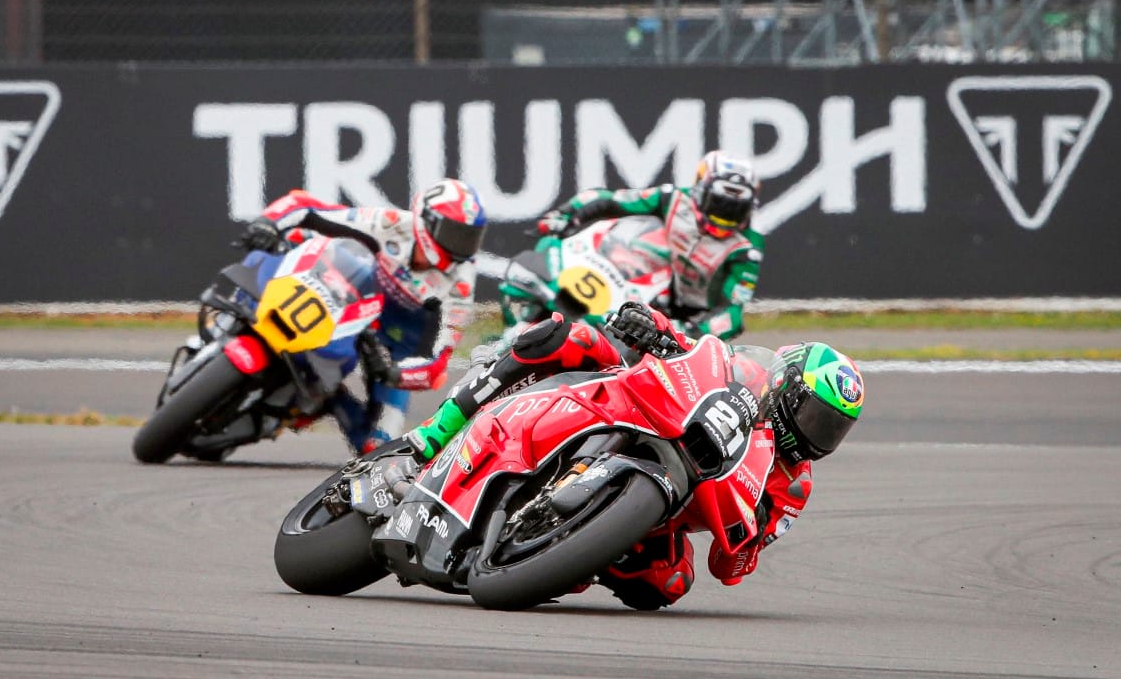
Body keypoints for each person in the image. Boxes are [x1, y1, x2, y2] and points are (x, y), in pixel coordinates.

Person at [400, 301, 864, 609]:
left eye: (833, 429)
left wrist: (755, 530)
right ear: (786, 386)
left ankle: (567, 551)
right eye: (816, 417)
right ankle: (440, 429)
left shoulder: (793, 485)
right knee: (567, 336)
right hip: (632, 406)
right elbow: (696, 352)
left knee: (670, 583)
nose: (817, 435)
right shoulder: (748, 372)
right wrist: (651, 325)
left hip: (668, 507)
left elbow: (730, 567)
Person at [236, 178, 488, 455]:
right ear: (424, 222)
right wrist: (267, 222)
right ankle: (234, 323)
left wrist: (394, 373)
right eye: (454, 234)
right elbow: (306, 207)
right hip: (354, 308)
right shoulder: (391, 223)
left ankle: (331, 400)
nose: (461, 247)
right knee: (294, 241)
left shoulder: (461, 281)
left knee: (379, 450)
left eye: (469, 238)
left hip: (397, 349)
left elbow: (437, 366)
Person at [537, 150, 764, 340]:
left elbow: (732, 313)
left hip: (689, 319)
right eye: (719, 203)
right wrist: (566, 214)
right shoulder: (670, 199)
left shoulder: (747, 248)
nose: (724, 216)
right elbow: (611, 200)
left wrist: (690, 332)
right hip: (647, 292)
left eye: (735, 209)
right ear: (699, 190)